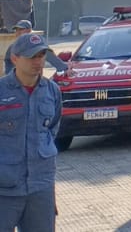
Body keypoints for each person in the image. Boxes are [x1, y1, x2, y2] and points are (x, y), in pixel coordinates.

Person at [0, 33, 62, 231]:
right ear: (15, 59)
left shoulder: (52, 91)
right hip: (4, 189)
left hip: (40, 187)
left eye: (42, 55)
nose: (38, 61)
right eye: (32, 56)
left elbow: (51, 129)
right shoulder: (2, 91)